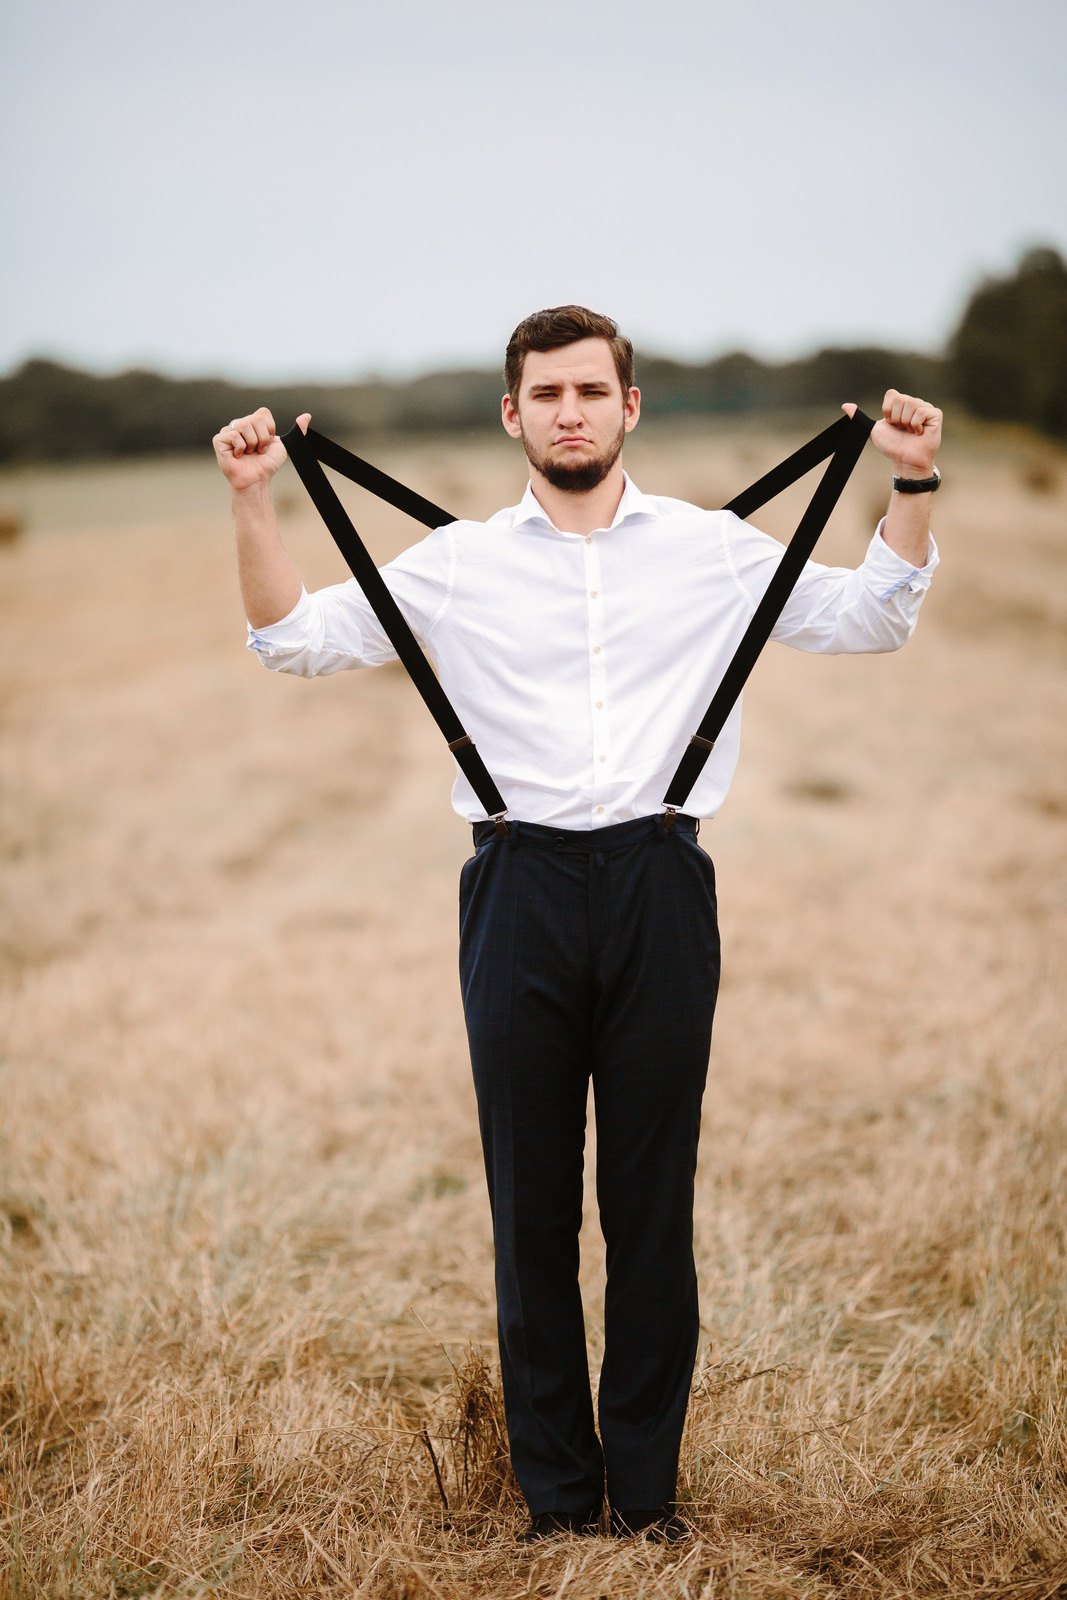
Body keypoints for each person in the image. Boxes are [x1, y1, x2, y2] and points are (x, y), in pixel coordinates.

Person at [213, 305, 941, 1543]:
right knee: (530, 1209)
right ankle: (558, 1501)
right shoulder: (457, 567)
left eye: (589, 392)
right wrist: (252, 497)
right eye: (544, 393)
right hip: (517, 889)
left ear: (627, 409)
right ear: (512, 414)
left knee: (650, 1206)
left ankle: (644, 1494)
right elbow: (290, 640)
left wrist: (911, 478)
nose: (567, 412)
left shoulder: (711, 552)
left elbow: (874, 613)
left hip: (661, 881)